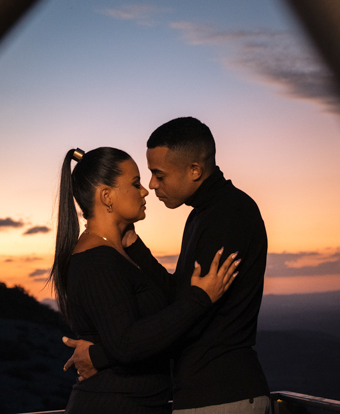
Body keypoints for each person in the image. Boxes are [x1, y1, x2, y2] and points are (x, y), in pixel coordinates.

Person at [64, 117, 272, 414]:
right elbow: (182, 300)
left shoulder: (227, 217)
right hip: (205, 394)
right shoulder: (204, 215)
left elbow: (194, 316)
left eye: (157, 175)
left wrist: (101, 354)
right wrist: (137, 250)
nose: (150, 186)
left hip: (221, 393)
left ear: (195, 170)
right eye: (141, 180)